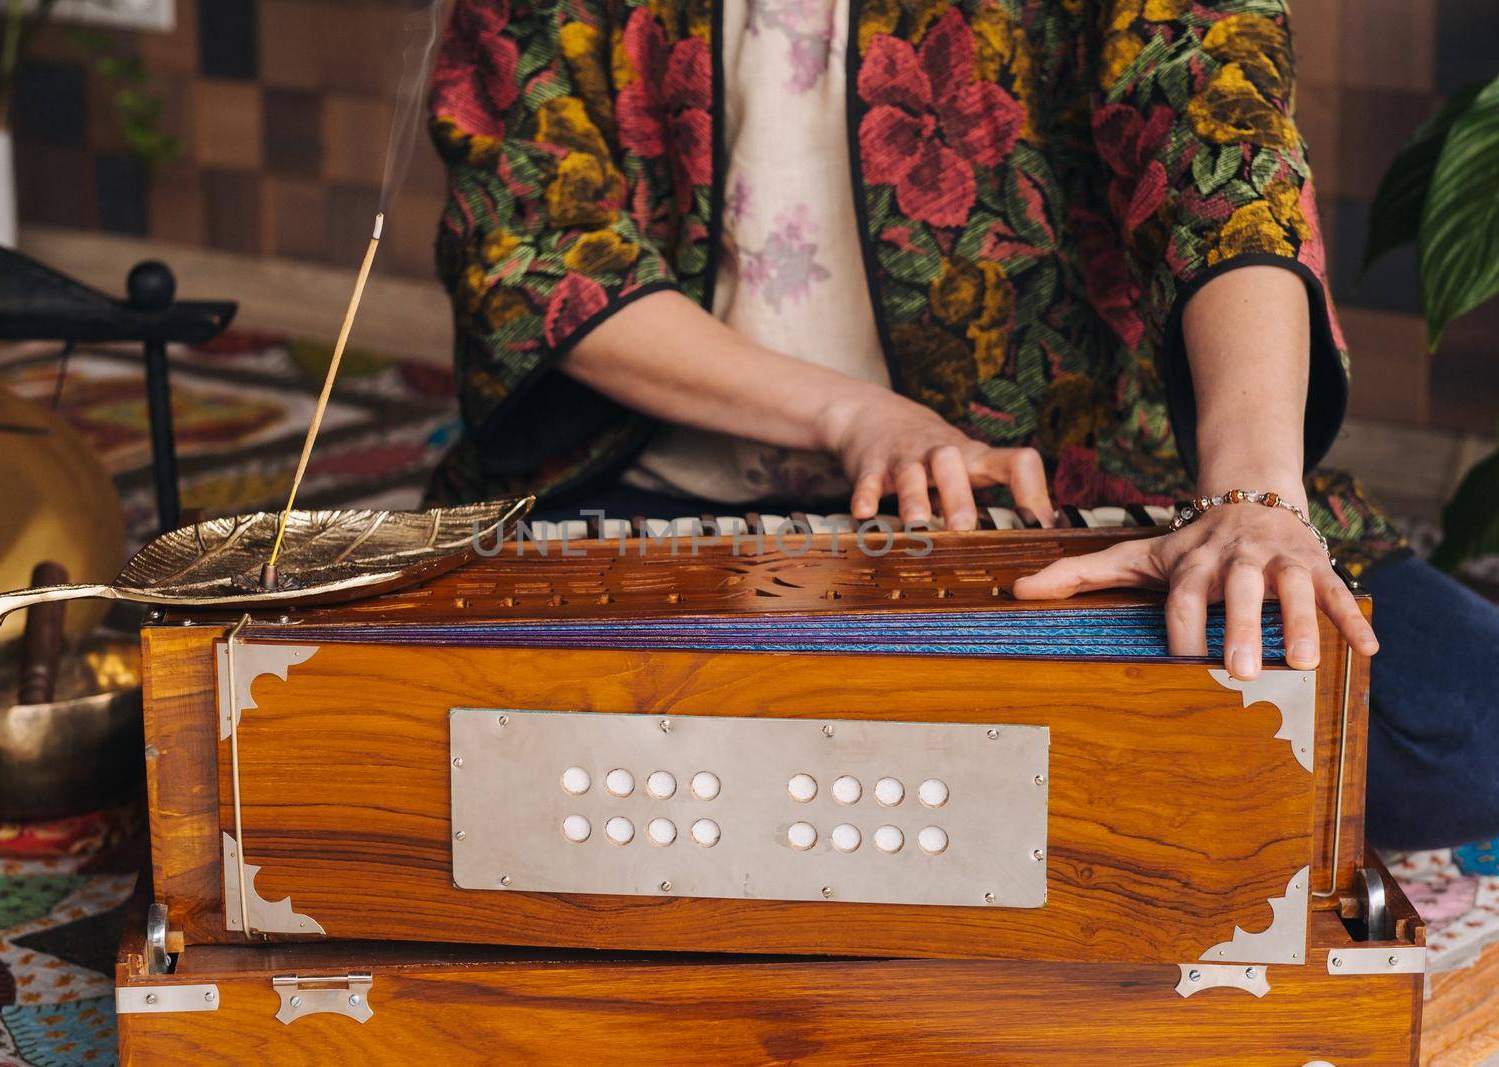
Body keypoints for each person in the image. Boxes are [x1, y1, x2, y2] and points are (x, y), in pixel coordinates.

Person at [423, 0, 1498, 850]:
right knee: (387, 738)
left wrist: (1252, 497)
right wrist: (853, 415)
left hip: (1068, 497)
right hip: (658, 483)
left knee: (1463, 735)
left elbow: (1222, 152)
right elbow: (535, 241)